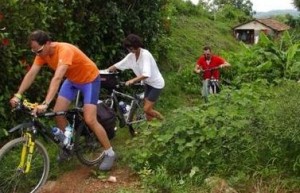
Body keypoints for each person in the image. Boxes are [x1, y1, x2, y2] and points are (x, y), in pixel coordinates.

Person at [9, 30, 115, 171]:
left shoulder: (64, 50)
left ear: (47, 43)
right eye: (34, 52)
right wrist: (18, 95)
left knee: (90, 119)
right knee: (58, 113)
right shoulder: (41, 54)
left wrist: (45, 103)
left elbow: (57, 78)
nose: (37, 54)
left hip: (89, 79)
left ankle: (110, 153)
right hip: (72, 80)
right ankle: (67, 145)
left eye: (39, 50)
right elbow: (31, 73)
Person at [107, 34, 164, 121]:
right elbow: (119, 64)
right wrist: (105, 72)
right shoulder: (131, 56)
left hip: (156, 84)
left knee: (147, 109)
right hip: (147, 84)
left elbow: (146, 74)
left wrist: (132, 80)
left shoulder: (145, 55)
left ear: (137, 46)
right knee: (147, 110)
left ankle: (164, 121)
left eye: (131, 48)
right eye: (128, 49)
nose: (130, 50)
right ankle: (152, 129)